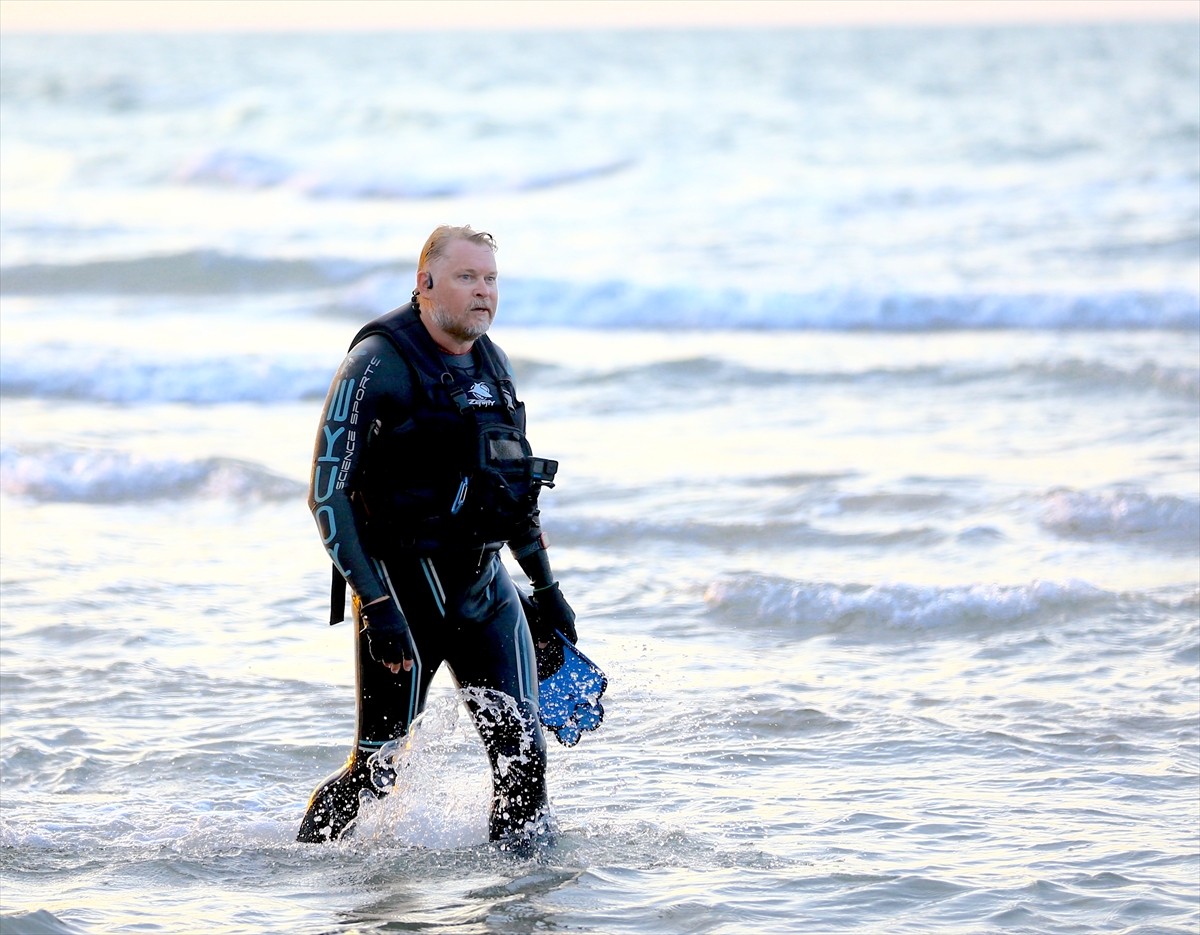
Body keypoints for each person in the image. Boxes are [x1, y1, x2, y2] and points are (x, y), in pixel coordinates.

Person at [296, 225, 577, 850]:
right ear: (425, 285)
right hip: (401, 596)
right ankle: (303, 872)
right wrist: (375, 605)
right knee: (376, 773)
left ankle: (520, 905)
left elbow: (513, 489)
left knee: (524, 765)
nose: (484, 293)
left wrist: (546, 591)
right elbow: (326, 494)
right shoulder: (378, 362)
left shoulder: (492, 364)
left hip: (484, 590)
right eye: (467, 278)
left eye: (492, 279)